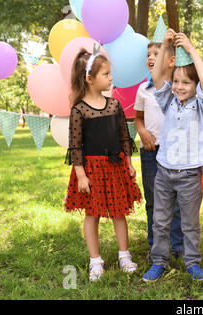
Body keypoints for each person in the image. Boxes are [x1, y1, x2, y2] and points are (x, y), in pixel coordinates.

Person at [142, 29, 203, 281]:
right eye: (176, 81)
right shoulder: (167, 101)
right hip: (164, 172)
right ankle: (159, 261)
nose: (180, 86)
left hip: (189, 174)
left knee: (189, 224)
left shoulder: (202, 105)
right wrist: (164, 45)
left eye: (186, 82)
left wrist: (191, 49)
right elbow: (156, 76)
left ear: (194, 86)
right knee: (160, 221)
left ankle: (192, 262)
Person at [64, 46, 142, 281]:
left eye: (110, 73)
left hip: (115, 166)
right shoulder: (79, 111)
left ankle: (124, 255)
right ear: (90, 79)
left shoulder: (114, 105)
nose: (111, 78)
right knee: (93, 214)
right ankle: (95, 261)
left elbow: (123, 137)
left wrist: (128, 162)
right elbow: (75, 145)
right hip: (92, 170)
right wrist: (81, 175)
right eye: (106, 74)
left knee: (120, 212)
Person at [134, 41, 184, 259]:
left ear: (171, 61)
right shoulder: (143, 90)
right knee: (154, 201)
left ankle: (178, 245)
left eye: (157, 53)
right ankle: (156, 246)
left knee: (176, 202)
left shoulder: (180, 87)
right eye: (149, 54)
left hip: (177, 153)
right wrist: (142, 131)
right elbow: (138, 118)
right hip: (151, 152)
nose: (151, 57)